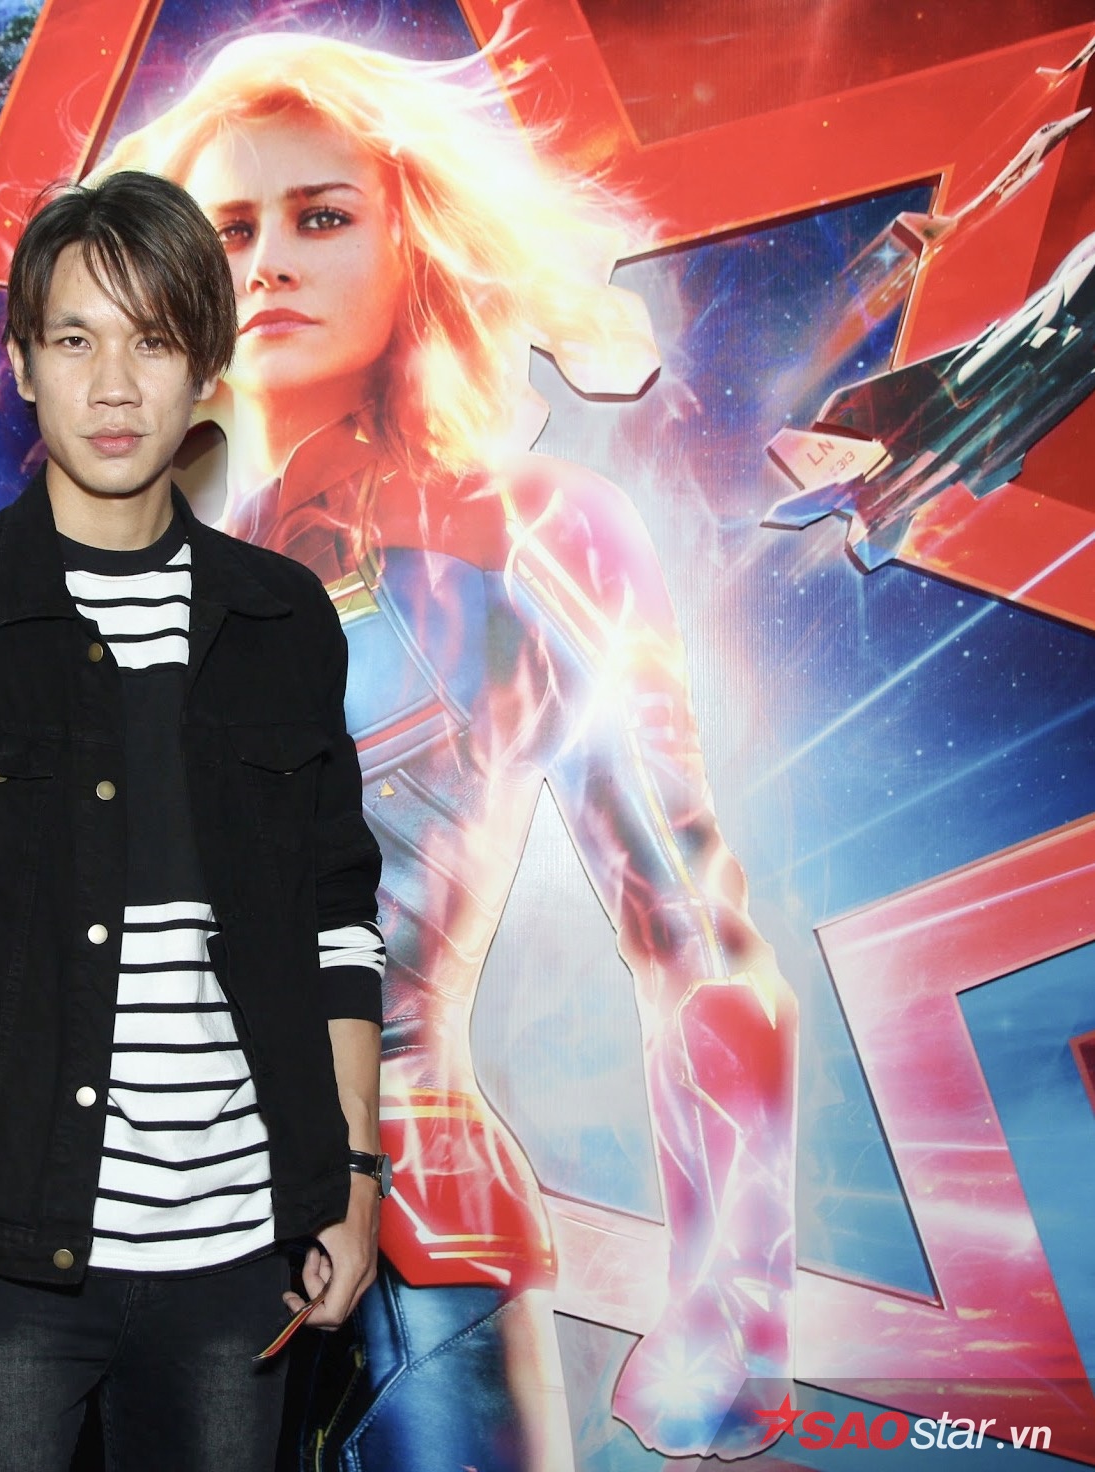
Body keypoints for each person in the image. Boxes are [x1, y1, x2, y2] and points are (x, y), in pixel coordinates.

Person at [101, 34, 800, 1470]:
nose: (268, 264)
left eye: (320, 216)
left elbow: (692, 931)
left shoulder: (528, 529)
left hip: (419, 1235)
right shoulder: (93, 567)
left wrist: (729, 1314)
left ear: (409, 238)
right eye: (226, 231)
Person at [0, 169, 389, 1472]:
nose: (113, 386)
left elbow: (336, 927)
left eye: (152, 342)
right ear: (21, 365)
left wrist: (351, 1177)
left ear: (206, 370)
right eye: (73, 340)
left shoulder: (281, 622)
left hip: (242, 1263)